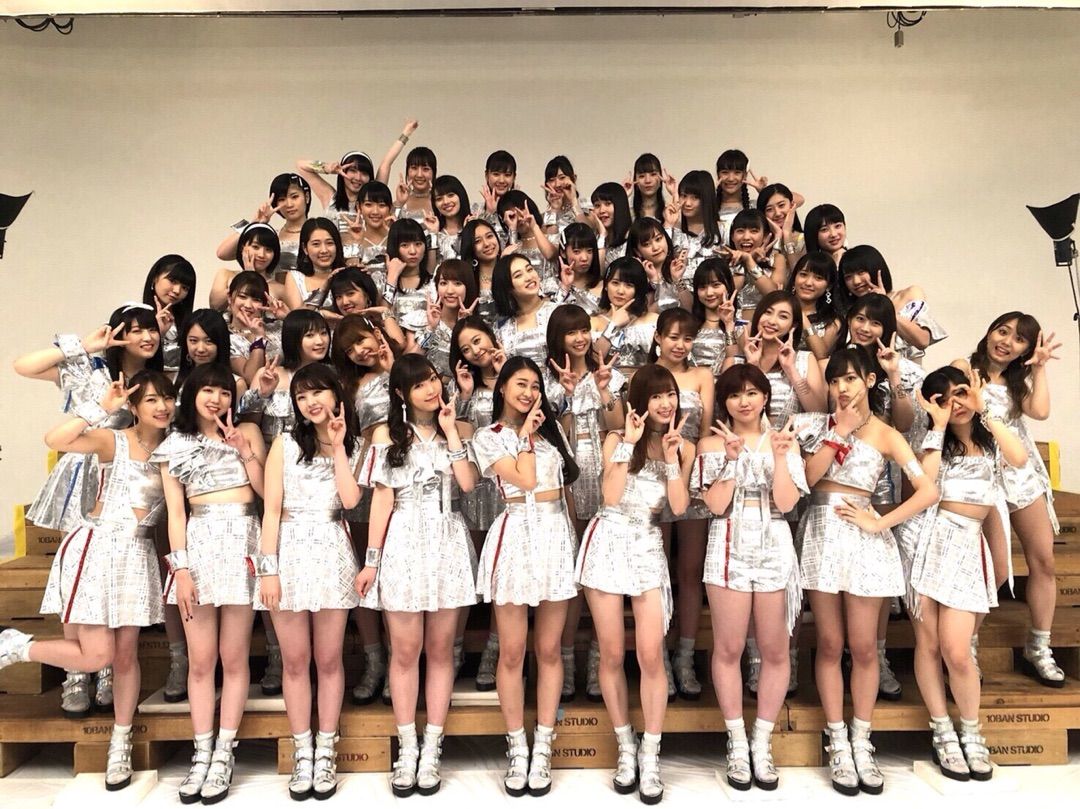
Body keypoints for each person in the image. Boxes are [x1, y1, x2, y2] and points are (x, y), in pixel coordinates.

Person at [1, 370, 176, 791]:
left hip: (137, 555)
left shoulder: (176, 447)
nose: (162, 407)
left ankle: (120, 742)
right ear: (134, 406)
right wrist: (100, 407)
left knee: (127, 657)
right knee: (98, 655)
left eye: (167, 398)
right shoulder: (113, 439)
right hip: (97, 547)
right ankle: (16, 646)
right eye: (151, 400)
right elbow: (56, 440)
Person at [800, 347, 939, 796]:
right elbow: (807, 479)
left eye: (850, 379)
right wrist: (837, 433)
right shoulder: (815, 425)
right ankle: (837, 742)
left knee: (863, 648)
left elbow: (927, 490)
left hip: (864, 537)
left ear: (870, 381)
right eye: (834, 380)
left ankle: (862, 740)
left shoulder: (887, 434)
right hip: (821, 532)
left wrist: (880, 522)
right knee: (829, 643)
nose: (841, 388)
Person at [355, 355, 479, 796]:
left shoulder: (458, 429)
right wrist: (371, 561)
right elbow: (382, 501)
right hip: (404, 539)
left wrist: (450, 430)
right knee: (405, 651)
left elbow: (468, 484)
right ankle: (407, 747)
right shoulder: (386, 435)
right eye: (419, 384)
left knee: (442, 651)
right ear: (401, 394)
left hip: (447, 537)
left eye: (433, 380)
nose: (430, 389)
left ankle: (432, 748)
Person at [901, 367, 1028, 782]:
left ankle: (972, 732)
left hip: (969, 546)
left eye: (959, 393)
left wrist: (983, 408)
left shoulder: (990, 440)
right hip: (927, 542)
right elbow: (926, 484)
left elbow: (1020, 458)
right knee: (928, 644)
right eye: (942, 399)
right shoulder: (930, 441)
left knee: (958, 651)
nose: (954, 403)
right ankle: (943, 732)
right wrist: (937, 427)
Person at [575, 364, 693, 805]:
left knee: (650, 654)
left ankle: (651, 752)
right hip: (607, 538)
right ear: (641, 400)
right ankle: (625, 745)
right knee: (610, 653)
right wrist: (628, 440)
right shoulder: (615, 438)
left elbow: (678, 507)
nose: (666, 402)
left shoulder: (682, 445)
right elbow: (609, 495)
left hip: (646, 543)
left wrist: (673, 460)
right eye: (657, 395)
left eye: (671, 394)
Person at [154, 363, 266, 803]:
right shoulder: (173, 444)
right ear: (191, 395)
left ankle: (224, 753)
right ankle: (201, 753)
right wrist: (180, 570)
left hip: (243, 539)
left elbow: (265, 493)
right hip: (199, 543)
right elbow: (175, 513)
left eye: (223, 391)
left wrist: (243, 450)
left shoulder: (248, 432)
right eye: (207, 390)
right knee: (201, 662)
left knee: (234, 657)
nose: (216, 398)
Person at [253, 363, 363, 800]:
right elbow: (271, 510)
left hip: (333, 547)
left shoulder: (352, 444)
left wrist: (338, 447)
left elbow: (351, 500)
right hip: (290, 550)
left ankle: (326, 750)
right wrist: (268, 569)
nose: (310, 402)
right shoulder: (283, 443)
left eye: (318, 392)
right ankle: (303, 751)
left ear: (336, 394)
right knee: (295, 661)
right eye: (301, 396)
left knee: (329, 659)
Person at [471, 357, 580, 797]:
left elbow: (564, 490)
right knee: (513, 651)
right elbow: (526, 480)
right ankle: (517, 746)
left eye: (535, 385)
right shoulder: (489, 437)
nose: (529, 392)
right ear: (502, 387)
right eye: (521, 384)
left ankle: (544, 745)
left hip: (555, 535)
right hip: (516, 532)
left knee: (550, 649)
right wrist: (526, 437)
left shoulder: (550, 433)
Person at [694, 365, 806, 791]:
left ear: (765, 397)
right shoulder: (710, 443)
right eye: (734, 394)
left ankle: (762, 741)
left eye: (752, 392)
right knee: (728, 648)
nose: (744, 401)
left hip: (774, 544)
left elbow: (787, 503)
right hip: (728, 543)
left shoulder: (784, 440)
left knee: (776, 650)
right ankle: (737, 743)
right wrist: (730, 460)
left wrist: (778, 457)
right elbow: (714, 506)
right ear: (724, 401)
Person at [953, 313, 1065, 686]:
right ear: (989, 332)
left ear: (1025, 349)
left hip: (1021, 473)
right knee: (993, 570)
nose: (1007, 342)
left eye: (1019, 339)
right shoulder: (964, 367)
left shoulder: (1018, 384)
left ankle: (1039, 647)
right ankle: (967, 646)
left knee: (1044, 561)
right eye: (1003, 331)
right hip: (981, 475)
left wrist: (1040, 368)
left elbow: (1041, 412)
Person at [545, 304, 626, 702]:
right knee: (570, 576)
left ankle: (598, 660)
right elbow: (549, 431)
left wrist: (604, 389)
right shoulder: (546, 382)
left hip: (607, 478)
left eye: (583, 330)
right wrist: (565, 393)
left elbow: (619, 425)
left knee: (603, 576)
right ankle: (565, 659)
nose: (579, 338)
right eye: (571, 332)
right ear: (556, 338)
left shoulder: (609, 373)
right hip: (566, 482)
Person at [649, 308, 715, 700]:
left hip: (691, 472)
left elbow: (704, 433)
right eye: (673, 336)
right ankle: (657, 656)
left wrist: (696, 474)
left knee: (690, 572)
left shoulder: (703, 375)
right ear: (657, 337)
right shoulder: (645, 376)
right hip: (654, 473)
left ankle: (685, 657)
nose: (680, 345)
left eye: (687, 338)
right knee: (656, 572)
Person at [330, 314, 395, 706]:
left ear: (376, 332)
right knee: (364, 574)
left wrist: (393, 368)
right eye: (350, 348)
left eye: (362, 339)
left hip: (402, 474)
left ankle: (398, 660)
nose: (360, 350)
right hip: (364, 472)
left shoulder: (404, 366)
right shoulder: (347, 384)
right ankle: (374, 660)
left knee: (393, 571)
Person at [216, 173, 312, 274]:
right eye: (282, 199)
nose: (289, 204)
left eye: (294, 197)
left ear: (307, 197)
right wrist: (254, 224)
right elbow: (222, 254)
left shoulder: (318, 234)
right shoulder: (271, 236)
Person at [590, 257, 660, 369]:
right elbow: (592, 362)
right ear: (606, 286)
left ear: (638, 290)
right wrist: (613, 325)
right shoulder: (592, 323)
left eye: (629, 285)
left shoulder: (654, 322)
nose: (620, 291)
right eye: (615, 283)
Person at [141, 254, 197, 374]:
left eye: (185, 288)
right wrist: (156, 332)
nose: (177, 291)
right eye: (172, 281)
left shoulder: (189, 322)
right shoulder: (135, 317)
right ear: (155, 277)